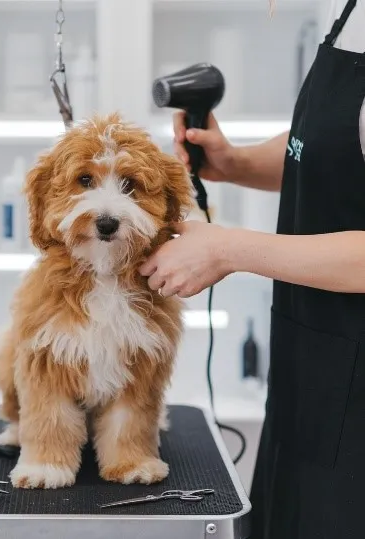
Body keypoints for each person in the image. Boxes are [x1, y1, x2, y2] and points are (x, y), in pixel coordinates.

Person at [139, 0, 365, 537]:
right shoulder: (349, 11)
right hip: (310, 367)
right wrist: (235, 163)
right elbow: (329, 146)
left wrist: (229, 249)